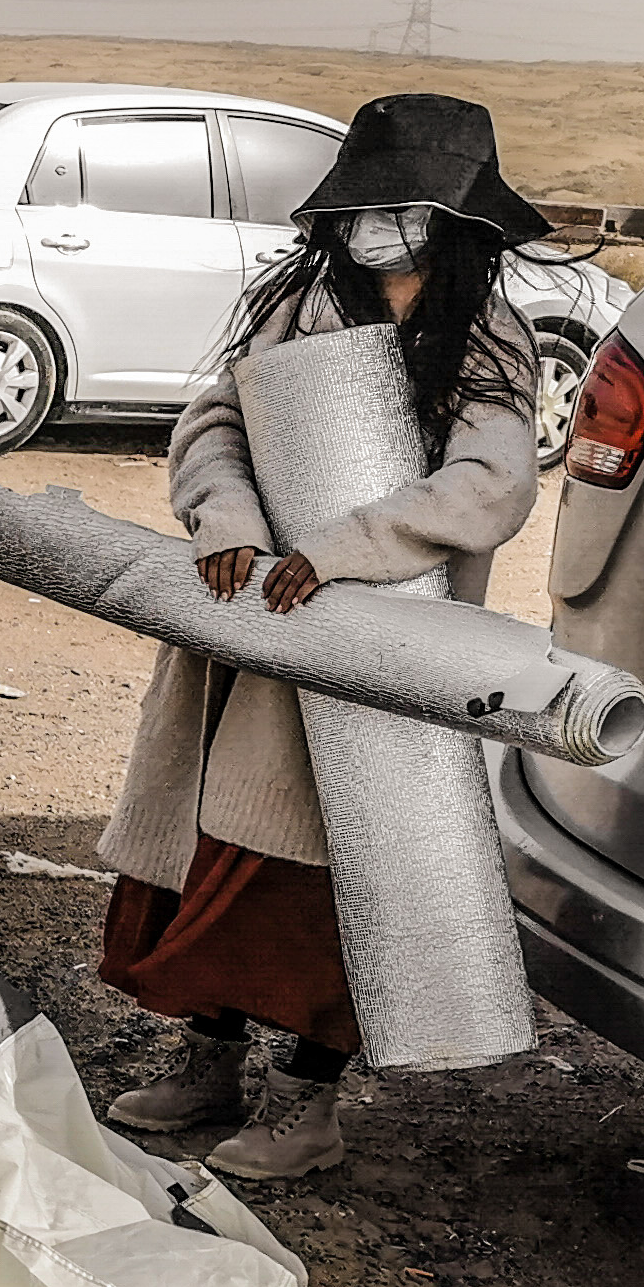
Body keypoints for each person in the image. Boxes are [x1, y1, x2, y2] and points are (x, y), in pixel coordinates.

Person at [97, 94, 548, 1179]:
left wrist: (348, 546)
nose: (383, 227)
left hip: (378, 648)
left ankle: (307, 1109)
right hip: (249, 626)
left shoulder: (487, 338)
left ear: (458, 224)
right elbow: (215, 423)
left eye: (410, 209)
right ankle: (207, 1065)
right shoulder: (298, 307)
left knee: (328, 878)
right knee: (210, 847)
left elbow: (491, 485)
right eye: (370, 204)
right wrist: (228, 517)